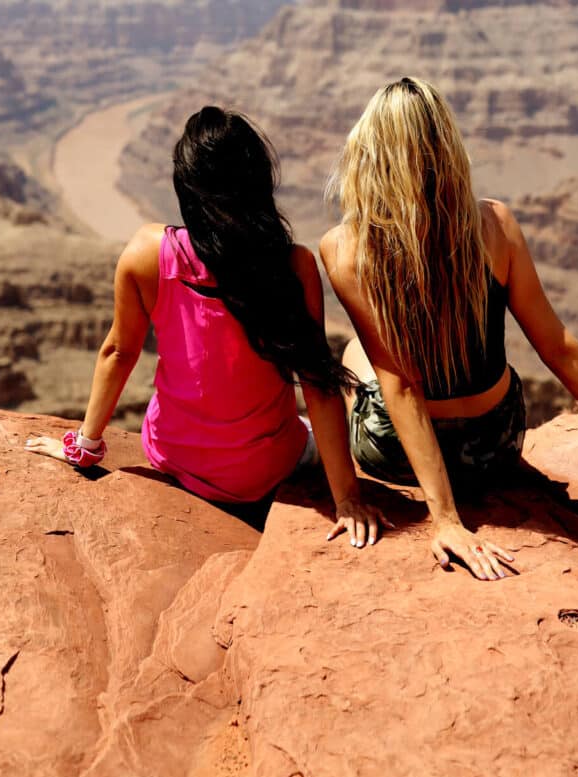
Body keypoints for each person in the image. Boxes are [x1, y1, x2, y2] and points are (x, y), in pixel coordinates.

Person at [320, 77, 578, 580]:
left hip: (398, 459)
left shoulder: (343, 249)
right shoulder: (495, 224)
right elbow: (558, 347)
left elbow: (401, 386)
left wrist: (444, 518)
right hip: (498, 444)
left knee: (356, 351)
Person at [26, 106, 389, 539]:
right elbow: (317, 386)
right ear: (259, 184)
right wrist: (346, 497)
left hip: (174, 457)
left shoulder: (147, 253)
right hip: (264, 471)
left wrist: (84, 448)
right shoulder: (292, 266)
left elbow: (118, 352)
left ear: (186, 188)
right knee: (337, 406)